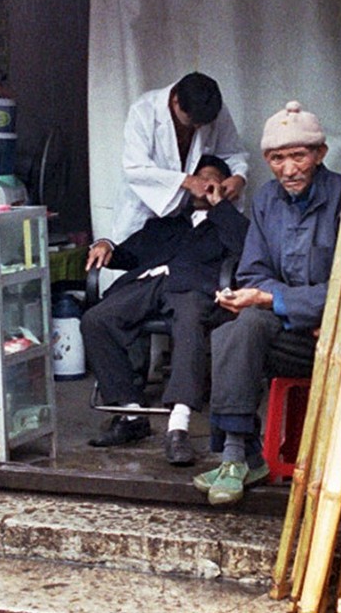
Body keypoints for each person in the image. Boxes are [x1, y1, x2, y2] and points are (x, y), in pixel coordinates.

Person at [195, 101, 341, 506]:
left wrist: (278, 300)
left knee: (249, 324)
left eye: (299, 155)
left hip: (340, 338)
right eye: (277, 158)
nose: (288, 169)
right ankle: (237, 455)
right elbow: (254, 272)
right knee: (238, 325)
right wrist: (265, 298)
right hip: (291, 331)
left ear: (320, 154)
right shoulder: (266, 201)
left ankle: (238, 455)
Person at [81, 155, 249, 465]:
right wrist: (104, 243)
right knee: (96, 318)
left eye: (213, 179)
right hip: (148, 285)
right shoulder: (165, 223)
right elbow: (127, 253)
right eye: (200, 179)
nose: (205, 185)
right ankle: (131, 415)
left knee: (189, 320)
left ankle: (178, 427)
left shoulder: (230, 224)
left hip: (195, 289)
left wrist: (221, 206)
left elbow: (246, 250)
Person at [113, 72, 249, 243]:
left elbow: (232, 152)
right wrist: (188, 182)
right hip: (144, 210)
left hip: (185, 220)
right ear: (175, 101)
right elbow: (135, 168)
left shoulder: (214, 110)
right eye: (193, 121)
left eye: (203, 124)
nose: (198, 127)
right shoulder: (144, 110)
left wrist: (239, 177)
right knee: (135, 258)